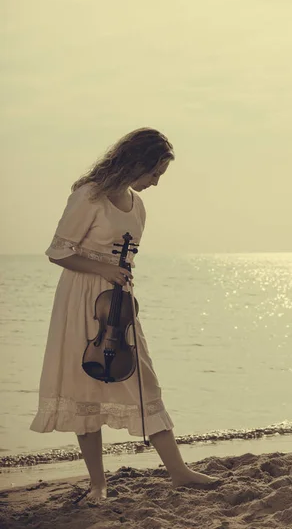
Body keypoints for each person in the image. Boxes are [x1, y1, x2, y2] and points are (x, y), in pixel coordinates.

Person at [30, 127, 219, 500]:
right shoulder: (90, 195)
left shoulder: (138, 204)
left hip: (117, 304)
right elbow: (58, 252)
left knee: (142, 380)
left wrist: (121, 281)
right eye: (154, 174)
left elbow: (126, 256)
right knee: (83, 386)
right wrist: (102, 269)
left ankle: (178, 472)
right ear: (137, 163)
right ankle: (98, 484)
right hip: (82, 298)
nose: (156, 183)